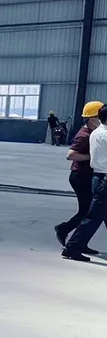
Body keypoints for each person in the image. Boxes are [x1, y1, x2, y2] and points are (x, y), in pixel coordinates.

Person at [55, 101, 104, 252]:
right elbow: (70, 155)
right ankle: (65, 230)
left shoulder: (92, 132)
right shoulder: (84, 135)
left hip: (86, 176)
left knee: (91, 211)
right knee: (88, 211)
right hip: (80, 177)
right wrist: (92, 157)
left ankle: (78, 242)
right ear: (92, 119)